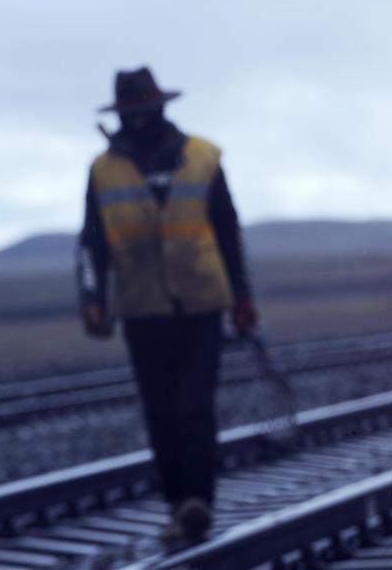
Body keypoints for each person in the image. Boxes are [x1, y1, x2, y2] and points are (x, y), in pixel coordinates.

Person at [77, 67, 258, 541]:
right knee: (160, 411)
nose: (138, 117)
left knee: (194, 406)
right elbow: (90, 244)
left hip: (200, 303)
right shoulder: (102, 168)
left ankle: (198, 501)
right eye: (129, 110)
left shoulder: (202, 156)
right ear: (121, 112)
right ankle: (178, 503)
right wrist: (91, 298)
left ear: (159, 105)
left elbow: (226, 230)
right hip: (141, 308)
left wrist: (242, 297)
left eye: (143, 108)